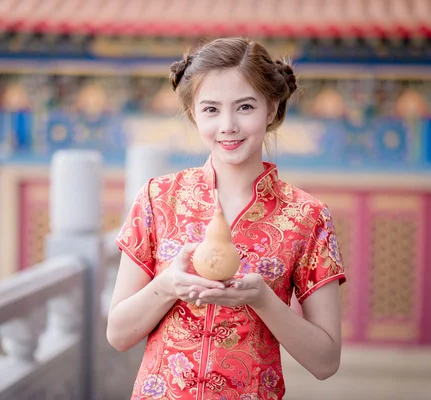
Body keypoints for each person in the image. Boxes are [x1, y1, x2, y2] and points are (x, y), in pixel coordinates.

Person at [107, 37, 346, 400]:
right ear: (194, 114)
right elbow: (118, 334)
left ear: (271, 108)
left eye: (245, 107)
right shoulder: (159, 198)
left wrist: (263, 300)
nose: (228, 125)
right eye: (211, 109)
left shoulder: (307, 217)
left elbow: (326, 362)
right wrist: (169, 284)